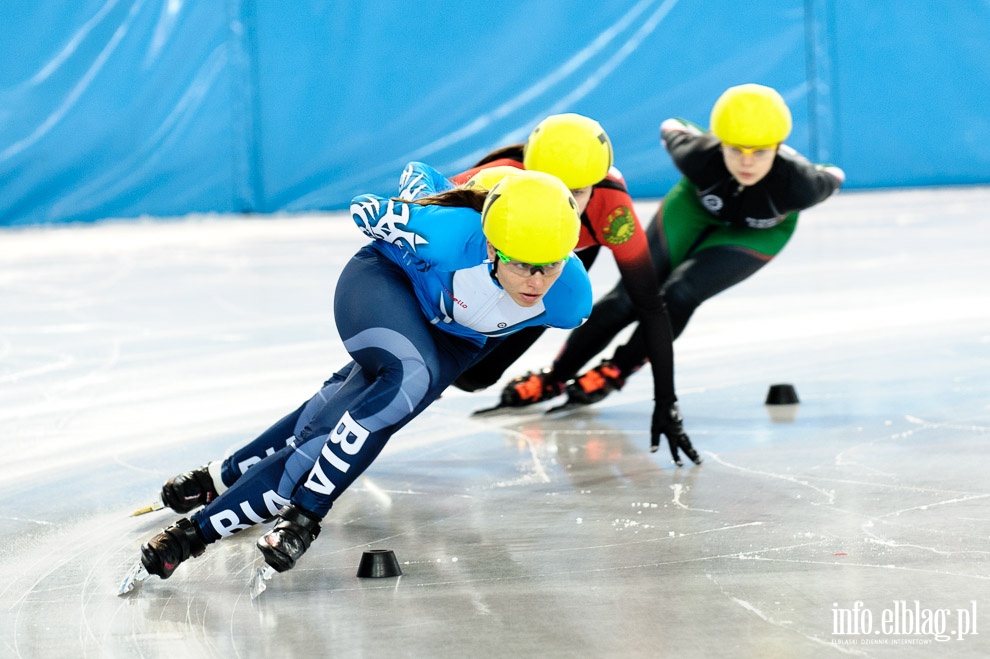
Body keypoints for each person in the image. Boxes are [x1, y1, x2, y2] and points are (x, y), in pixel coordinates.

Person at [135, 164, 593, 581]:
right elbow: (368, 206)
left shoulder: (570, 297)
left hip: (454, 340)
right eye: (520, 263)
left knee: (336, 422)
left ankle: (208, 502)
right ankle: (304, 517)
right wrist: (413, 207)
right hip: (385, 285)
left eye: (549, 265)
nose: (535, 281)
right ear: (492, 246)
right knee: (407, 379)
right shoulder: (444, 233)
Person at [505, 84, 846, 409]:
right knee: (627, 297)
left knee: (681, 294)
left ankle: (617, 369)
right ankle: (555, 377)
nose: (746, 163)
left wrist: (796, 160)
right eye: (734, 149)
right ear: (719, 142)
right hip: (693, 208)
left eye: (760, 152)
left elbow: (834, 174)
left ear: (777, 147)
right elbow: (673, 125)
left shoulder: (802, 184)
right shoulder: (697, 155)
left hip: (758, 232)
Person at [447, 113, 697, 463]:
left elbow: (650, 306)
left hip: (560, 259)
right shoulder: (495, 177)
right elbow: (414, 217)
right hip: (493, 251)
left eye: (576, 192)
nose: (560, 202)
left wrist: (666, 401)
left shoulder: (612, 208)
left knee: (476, 376)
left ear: (595, 186)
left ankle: (548, 376)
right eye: (550, 184)